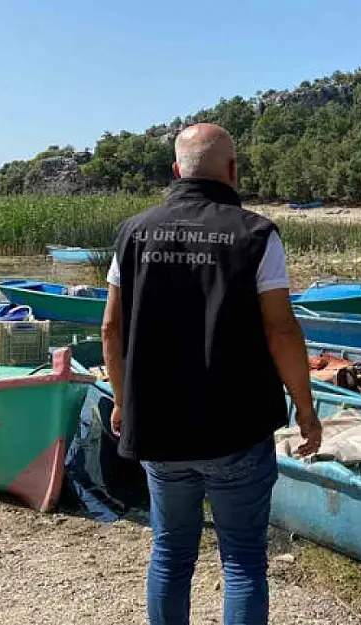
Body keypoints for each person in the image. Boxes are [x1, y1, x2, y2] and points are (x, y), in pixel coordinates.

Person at [101, 123, 322, 625]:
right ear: (233, 171)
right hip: (236, 429)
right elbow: (282, 331)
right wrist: (306, 410)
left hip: (158, 430)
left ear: (176, 171)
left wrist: (121, 400)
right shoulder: (257, 233)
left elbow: (111, 327)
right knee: (243, 560)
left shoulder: (133, 232)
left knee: (171, 554)